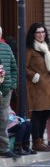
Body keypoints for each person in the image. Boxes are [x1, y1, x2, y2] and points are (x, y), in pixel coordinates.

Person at [25, 22, 50, 152]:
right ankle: (36, 141)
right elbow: (23, 67)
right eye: (38, 32)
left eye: (43, 32)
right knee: (37, 114)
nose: (41, 34)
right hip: (37, 87)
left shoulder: (46, 48)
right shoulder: (29, 48)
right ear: (33, 34)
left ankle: (41, 140)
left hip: (49, 86)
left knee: (46, 114)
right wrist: (33, 75)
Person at [0, 27, 19, 159]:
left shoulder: (6, 48)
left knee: (3, 119)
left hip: (5, 91)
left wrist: (12, 85)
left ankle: (4, 148)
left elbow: (13, 68)